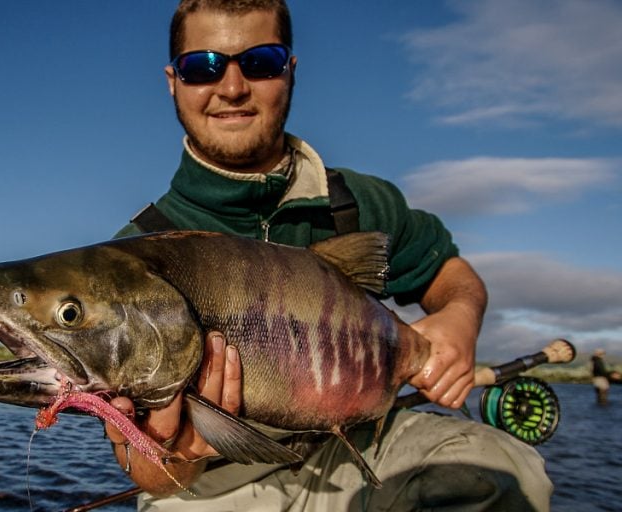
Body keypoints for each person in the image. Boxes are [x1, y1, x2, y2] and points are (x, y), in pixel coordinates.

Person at [104, 1, 553, 510]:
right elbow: (148, 476)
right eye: (201, 66)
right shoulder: (131, 258)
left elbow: (448, 271)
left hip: (362, 448)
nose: (231, 87)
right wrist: (173, 455)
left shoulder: (360, 202)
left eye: (260, 62)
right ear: (172, 80)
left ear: (290, 70)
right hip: (214, 483)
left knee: (501, 473)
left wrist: (459, 318)